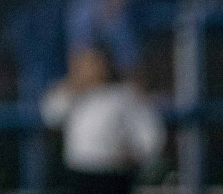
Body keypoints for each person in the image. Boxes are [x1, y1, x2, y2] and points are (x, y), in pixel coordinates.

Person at [41, 44, 164, 194]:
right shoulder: (70, 94)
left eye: (95, 63)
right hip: (78, 173)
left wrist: (136, 155)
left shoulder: (124, 95)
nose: (90, 69)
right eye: (86, 64)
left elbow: (150, 134)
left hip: (113, 174)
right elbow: (51, 116)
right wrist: (74, 86)